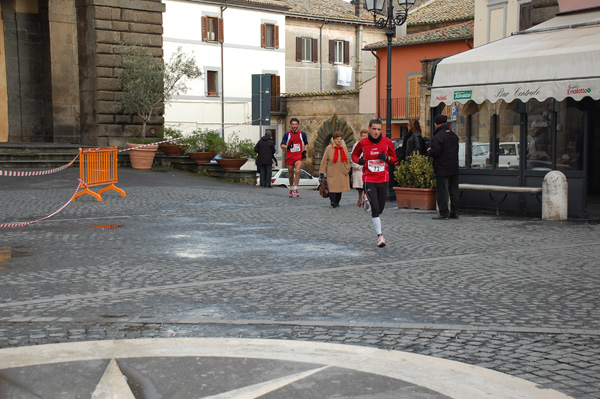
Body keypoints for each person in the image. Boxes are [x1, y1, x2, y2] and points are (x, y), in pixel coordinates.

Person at [351, 118, 397, 248]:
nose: (376, 132)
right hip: (369, 179)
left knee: (380, 208)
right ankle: (380, 237)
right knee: (375, 209)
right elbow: (354, 155)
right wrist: (359, 161)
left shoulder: (387, 142)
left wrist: (387, 158)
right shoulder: (363, 142)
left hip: (382, 179)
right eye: (373, 129)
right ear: (369, 128)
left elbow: (394, 159)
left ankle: (367, 200)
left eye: (378, 129)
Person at [428, 114, 459, 220]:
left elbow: (435, 152)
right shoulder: (453, 135)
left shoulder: (438, 137)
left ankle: (444, 212)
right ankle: (454, 212)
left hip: (442, 167)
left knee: (443, 191)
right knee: (453, 190)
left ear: (436, 124)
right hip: (454, 167)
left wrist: (429, 151)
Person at [320, 131, 351, 208]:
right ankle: (333, 201)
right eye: (337, 139)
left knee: (339, 188)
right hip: (332, 171)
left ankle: (337, 201)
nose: (339, 141)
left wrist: (347, 168)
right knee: (332, 188)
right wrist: (322, 172)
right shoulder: (329, 148)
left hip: (341, 171)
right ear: (333, 139)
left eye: (340, 139)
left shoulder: (344, 148)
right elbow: (324, 160)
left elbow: (347, 159)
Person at [280, 118, 309, 198]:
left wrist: (305, 151)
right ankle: (291, 188)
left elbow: (306, 143)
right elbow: (282, 145)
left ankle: (295, 188)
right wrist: (288, 146)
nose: (294, 126)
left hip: (298, 156)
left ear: (298, 125)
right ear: (290, 125)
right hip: (290, 156)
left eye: (296, 124)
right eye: (293, 124)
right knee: (291, 174)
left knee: (297, 171)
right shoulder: (287, 134)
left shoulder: (302, 134)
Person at [351, 129, 369, 207]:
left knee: (366, 186)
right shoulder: (356, 145)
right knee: (359, 187)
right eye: (363, 136)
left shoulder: (369, 144)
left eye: (366, 136)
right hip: (359, 168)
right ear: (361, 136)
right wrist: (357, 166)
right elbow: (354, 156)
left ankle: (365, 199)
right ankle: (359, 198)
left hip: (366, 168)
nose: (364, 137)